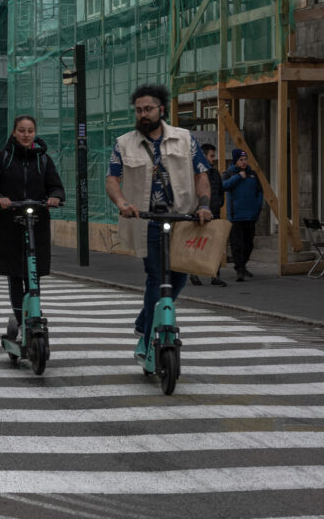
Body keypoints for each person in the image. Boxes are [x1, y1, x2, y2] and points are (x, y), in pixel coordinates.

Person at [104, 84, 213, 339]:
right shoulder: (124, 144)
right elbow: (112, 179)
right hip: (147, 221)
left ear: (161, 109)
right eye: (139, 110)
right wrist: (122, 204)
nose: (143, 114)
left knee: (179, 278)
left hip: (181, 220)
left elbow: (201, 174)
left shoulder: (185, 138)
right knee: (155, 276)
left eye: (148, 109)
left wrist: (205, 205)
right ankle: (151, 334)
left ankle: (144, 320)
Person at [0, 115, 65, 339]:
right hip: (8, 225)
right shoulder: (2, 158)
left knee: (33, 274)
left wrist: (54, 197)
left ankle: (33, 313)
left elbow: (56, 187)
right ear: (14, 132)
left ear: (35, 133)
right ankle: (20, 317)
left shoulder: (43, 160)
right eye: (22, 130)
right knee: (15, 274)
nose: (26, 135)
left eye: (30, 131)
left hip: (36, 225)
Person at [189, 143, 228, 287]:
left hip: (214, 213)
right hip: (199, 215)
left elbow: (220, 191)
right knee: (197, 245)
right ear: (204, 156)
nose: (213, 159)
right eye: (211, 156)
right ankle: (194, 274)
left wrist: (218, 204)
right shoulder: (196, 174)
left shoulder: (215, 173)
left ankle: (214, 275)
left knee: (215, 246)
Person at [223, 148, 264, 282]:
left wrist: (257, 207)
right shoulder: (228, 173)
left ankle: (243, 265)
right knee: (237, 244)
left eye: (245, 159)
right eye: (241, 160)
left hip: (250, 215)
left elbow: (260, 192)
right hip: (236, 216)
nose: (244, 162)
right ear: (235, 161)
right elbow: (223, 186)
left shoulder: (252, 174)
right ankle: (239, 269)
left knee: (249, 244)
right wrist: (238, 177)